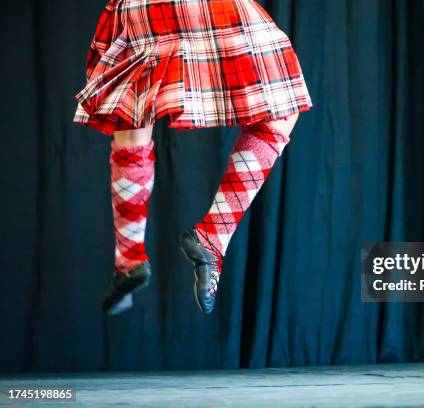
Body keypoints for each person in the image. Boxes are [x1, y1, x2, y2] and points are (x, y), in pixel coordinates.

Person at [73, 0, 312, 315]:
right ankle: (212, 237)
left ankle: (129, 260)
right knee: (281, 112)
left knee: (133, 118)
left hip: (141, 8)